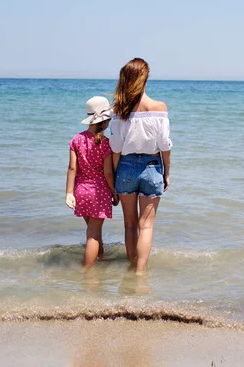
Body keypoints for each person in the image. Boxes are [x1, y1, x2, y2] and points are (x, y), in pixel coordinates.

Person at [110, 58, 172, 273]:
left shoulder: (119, 110)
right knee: (146, 226)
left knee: (130, 225)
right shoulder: (159, 107)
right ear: (145, 79)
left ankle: (130, 266)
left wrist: (115, 175)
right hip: (153, 166)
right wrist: (167, 173)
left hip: (125, 167)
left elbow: (115, 148)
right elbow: (165, 145)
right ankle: (139, 273)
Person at [65, 96, 119, 268]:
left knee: (94, 230)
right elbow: (108, 173)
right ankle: (87, 271)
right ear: (105, 122)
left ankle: (100, 259)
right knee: (93, 234)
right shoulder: (105, 144)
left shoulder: (76, 139)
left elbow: (72, 168)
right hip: (99, 193)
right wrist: (114, 191)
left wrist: (69, 193)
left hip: (81, 191)